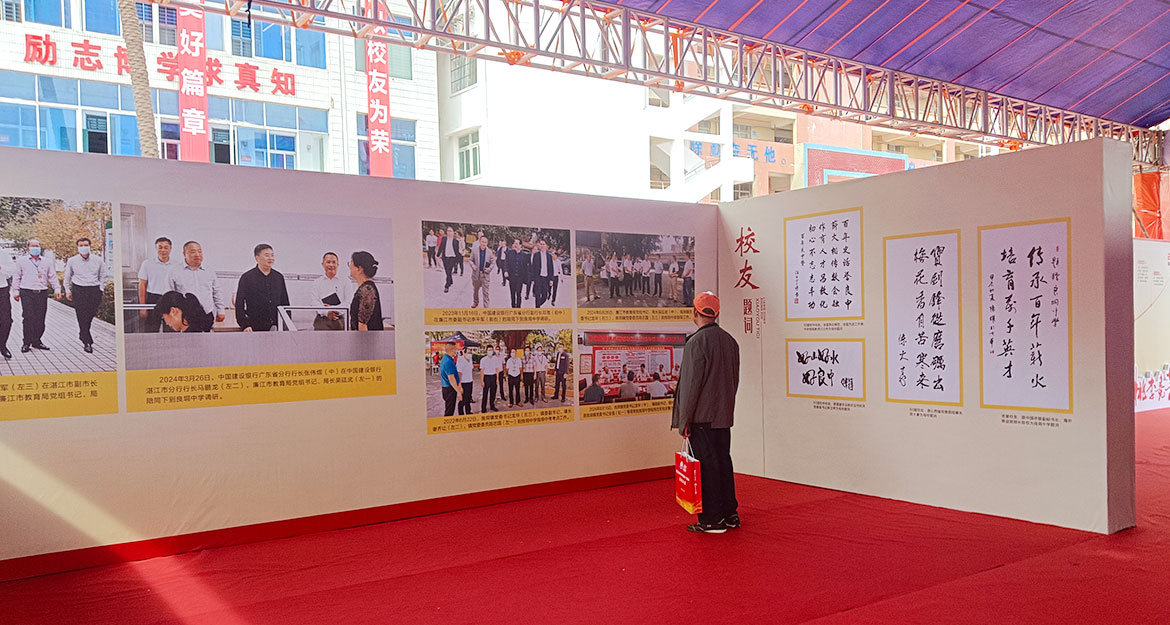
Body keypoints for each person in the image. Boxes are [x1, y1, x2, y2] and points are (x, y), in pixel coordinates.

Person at [671, 292, 741, 533]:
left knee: (706, 467)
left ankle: (712, 520)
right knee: (723, 462)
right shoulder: (730, 341)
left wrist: (684, 420)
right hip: (723, 415)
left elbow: (691, 386)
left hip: (701, 417)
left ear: (695, 312)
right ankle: (730, 514)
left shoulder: (696, 343)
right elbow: (734, 380)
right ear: (716, 313)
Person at [12, 239, 61, 352]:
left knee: (40, 318)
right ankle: (26, 342)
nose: (35, 248)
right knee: (28, 317)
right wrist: (16, 291)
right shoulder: (22, 261)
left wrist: (57, 289)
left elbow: (52, 276)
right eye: (33, 246)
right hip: (27, 292)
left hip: (41, 292)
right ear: (28, 248)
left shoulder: (47, 262)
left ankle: (37, 341)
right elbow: (17, 277)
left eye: (37, 246)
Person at [62, 237, 109, 353]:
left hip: (94, 290)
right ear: (77, 247)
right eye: (81, 245)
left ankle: (83, 333)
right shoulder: (72, 261)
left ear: (90, 246)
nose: (83, 247)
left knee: (90, 314)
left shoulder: (98, 260)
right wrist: (67, 290)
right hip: (79, 290)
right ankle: (87, 341)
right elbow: (67, 277)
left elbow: (103, 275)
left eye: (86, 245)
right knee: (81, 315)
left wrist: (101, 288)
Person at [168, 241, 224, 332]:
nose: (197, 254)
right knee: (188, 340)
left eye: (199, 251)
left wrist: (221, 311)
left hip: (206, 314)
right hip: (186, 317)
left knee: (206, 339)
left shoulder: (209, 271)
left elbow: (217, 292)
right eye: (193, 252)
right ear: (184, 254)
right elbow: (170, 295)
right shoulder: (174, 271)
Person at [235, 244, 290, 332]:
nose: (270, 258)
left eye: (272, 255)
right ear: (257, 258)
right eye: (267, 255)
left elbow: (285, 302)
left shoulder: (278, 277)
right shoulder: (247, 277)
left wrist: (287, 323)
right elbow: (239, 304)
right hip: (254, 326)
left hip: (277, 326)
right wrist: (244, 325)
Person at [137, 237, 174, 332]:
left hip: (171, 299)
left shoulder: (176, 265)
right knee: (151, 330)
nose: (163, 250)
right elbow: (142, 285)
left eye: (166, 247)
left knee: (171, 329)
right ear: (156, 248)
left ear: (170, 248)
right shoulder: (147, 264)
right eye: (160, 247)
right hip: (153, 298)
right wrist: (143, 307)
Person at [312, 252, 354, 331]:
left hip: (340, 320)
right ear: (323, 264)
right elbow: (314, 302)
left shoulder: (346, 281)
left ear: (338, 265)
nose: (331, 265)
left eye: (334, 262)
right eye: (328, 262)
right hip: (321, 321)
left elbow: (348, 302)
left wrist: (333, 309)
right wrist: (327, 312)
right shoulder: (317, 282)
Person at [348, 251, 384, 331]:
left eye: (351, 262)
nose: (349, 266)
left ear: (359, 268)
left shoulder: (367, 289)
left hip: (367, 338)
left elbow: (363, 325)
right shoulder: (364, 288)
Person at [470, 235, 494, 309]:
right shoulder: (474, 250)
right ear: (480, 241)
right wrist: (473, 265)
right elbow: (470, 260)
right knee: (475, 290)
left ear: (487, 243)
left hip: (485, 275)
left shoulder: (489, 252)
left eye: (485, 242)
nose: (484, 243)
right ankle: (475, 302)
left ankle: (486, 307)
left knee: (485, 292)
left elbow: (493, 262)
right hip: (476, 274)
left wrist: (489, 269)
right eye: (482, 241)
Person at [439, 341, 461, 417]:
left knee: (449, 409)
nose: (456, 351)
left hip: (448, 388)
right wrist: (458, 391)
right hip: (450, 389)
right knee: (449, 412)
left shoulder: (446, 359)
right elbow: (451, 379)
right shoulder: (448, 362)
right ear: (451, 350)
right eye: (455, 349)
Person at [437, 227, 462, 293]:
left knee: (449, 271)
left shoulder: (456, 241)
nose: (449, 232)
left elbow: (457, 251)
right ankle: (450, 280)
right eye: (448, 231)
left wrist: (458, 259)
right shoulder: (444, 238)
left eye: (450, 231)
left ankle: (447, 286)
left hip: (452, 258)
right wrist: (438, 254)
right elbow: (441, 247)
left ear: (453, 232)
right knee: (446, 271)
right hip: (445, 257)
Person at [505, 239, 528, 309]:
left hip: (520, 277)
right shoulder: (510, 253)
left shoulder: (524, 255)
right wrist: (506, 271)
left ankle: (518, 308)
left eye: (517, 243)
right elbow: (506, 263)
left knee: (518, 293)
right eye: (514, 243)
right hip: (512, 277)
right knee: (512, 293)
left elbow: (526, 267)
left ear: (520, 245)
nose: (515, 245)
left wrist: (527, 278)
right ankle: (513, 307)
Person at [532, 241, 555, 309]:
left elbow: (551, 268)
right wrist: (533, 279)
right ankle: (537, 308)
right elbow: (533, 267)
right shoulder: (536, 255)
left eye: (543, 244)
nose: (542, 245)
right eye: (541, 244)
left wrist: (551, 279)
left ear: (546, 246)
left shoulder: (549, 256)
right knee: (537, 295)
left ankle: (537, 305)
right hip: (538, 278)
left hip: (546, 279)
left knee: (545, 296)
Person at [480, 345, 503, 412]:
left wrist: (497, 379)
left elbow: (497, 369)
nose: (490, 351)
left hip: (493, 377)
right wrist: (482, 381)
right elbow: (482, 370)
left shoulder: (495, 359)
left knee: (493, 393)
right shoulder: (483, 360)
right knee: (485, 393)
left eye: (491, 350)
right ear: (486, 351)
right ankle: (483, 408)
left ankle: (492, 405)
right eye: (489, 350)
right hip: (486, 377)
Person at [457, 349, 475, 415]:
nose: (470, 354)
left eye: (471, 353)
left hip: (470, 381)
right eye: (468, 353)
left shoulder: (470, 360)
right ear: (464, 353)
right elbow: (459, 374)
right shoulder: (461, 360)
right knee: (462, 400)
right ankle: (461, 414)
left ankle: (468, 412)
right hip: (463, 383)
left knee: (468, 398)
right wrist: (460, 386)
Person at [0, 258, 12, 359]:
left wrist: (1, 268)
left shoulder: (4, 254)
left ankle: (2, 345)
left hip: (2, 289)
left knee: (6, 320)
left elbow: (11, 271)